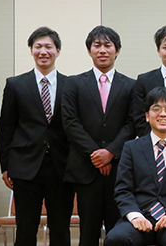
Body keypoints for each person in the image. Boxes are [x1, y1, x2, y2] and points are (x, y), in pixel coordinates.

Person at [0, 27, 74, 246]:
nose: (43, 51)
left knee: (61, 228)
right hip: (25, 166)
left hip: (61, 166)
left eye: (48, 47)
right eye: (38, 46)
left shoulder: (71, 85)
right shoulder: (15, 85)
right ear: (31, 50)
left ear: (58, 51)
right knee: (25, 229)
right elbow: (6, 127)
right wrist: (6, 165)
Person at [61, 26, 136, 246]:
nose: (102, 50)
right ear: (89, 51)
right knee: (87, 233)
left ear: (117, 50)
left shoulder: (131, 85)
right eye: (97, 45)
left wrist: (111, 152)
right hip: (86, 169)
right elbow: (70, 122)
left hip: (119, 169)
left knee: (119, 233)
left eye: (108, 45)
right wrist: (96, 153)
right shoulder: (74, 83)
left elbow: (133, 123)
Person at [104, 87, 166, 246]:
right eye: (156, 109)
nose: (163, 114)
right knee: (116, 238)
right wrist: (135, 216)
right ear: (147, 116)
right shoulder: (131, 148)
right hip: (140, 216)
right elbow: (123, 190)